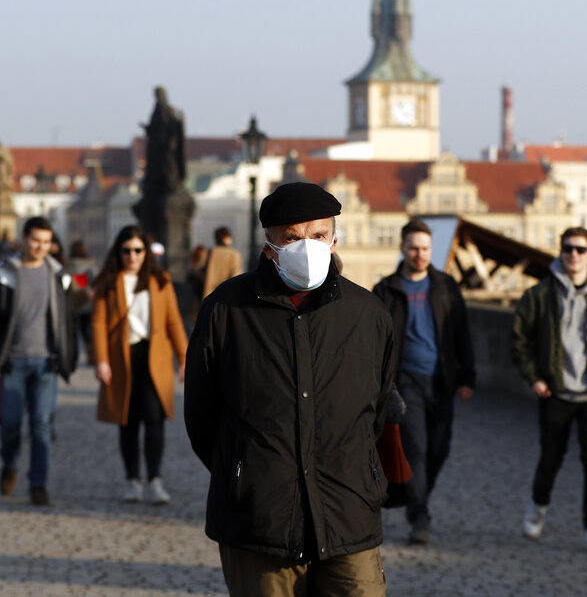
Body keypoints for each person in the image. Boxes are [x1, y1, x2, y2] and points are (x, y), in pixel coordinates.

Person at [185, 182, 396, 596]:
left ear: (334, 240)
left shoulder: (367, 313)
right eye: (292, 239)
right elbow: (202, 416)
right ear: (269, 247)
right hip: (261, 518)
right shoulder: (226, 310)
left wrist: (361, 474)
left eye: (317, 236)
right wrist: (243, 472)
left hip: (347, 511)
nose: (307, 247)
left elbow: (377, 408)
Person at [511, 226, 587, 554]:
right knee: (551, 457)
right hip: (556, 393)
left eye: (580, 249)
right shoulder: (541, 294)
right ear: (560, 253)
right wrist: (534, 376)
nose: (573, 255)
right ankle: (538, 508)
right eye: (567, 249)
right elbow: (519, 337)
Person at [372, 218, 476, 545]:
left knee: (440, 448)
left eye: (425, 249)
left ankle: (417, 497)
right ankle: (420, 516)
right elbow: (375, 340)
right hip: (405, 380)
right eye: (414, 248)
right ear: (402, 248)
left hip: (442, 378)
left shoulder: (445, 286)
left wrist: (467, 377)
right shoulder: (386, 289)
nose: (419, 255)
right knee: (415, 447)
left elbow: (462, 334)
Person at [0, 217, 79, 506]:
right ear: (24, 238)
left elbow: (67, 322)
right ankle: (9, 463)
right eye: (35, 240)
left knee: (41, 424)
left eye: (46, 242)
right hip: (13, 360)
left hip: (46, 361)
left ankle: (38, 484)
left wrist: (67, 358)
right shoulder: (5, 273)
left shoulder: (59, 275)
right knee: (9, 423)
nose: (40, 247)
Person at [92, 225, 188, 505]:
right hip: (122, 358)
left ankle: (155, 480)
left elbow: (173, 321)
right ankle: (132, 480)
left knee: (155, 420)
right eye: (126, 251)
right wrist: (100, 359)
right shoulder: (109, 282)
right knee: (127, 421)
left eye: (137, 250)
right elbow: (97, 323)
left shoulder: (160, 280)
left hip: (154, 357)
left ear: (146, 252)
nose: (132, 256)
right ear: (118, 252)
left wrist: (184, 358)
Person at [202, 226, 244, 298]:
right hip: (226, 295)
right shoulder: (234, 254)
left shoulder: (209, 252)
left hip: (209, 293)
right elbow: (236, 276)